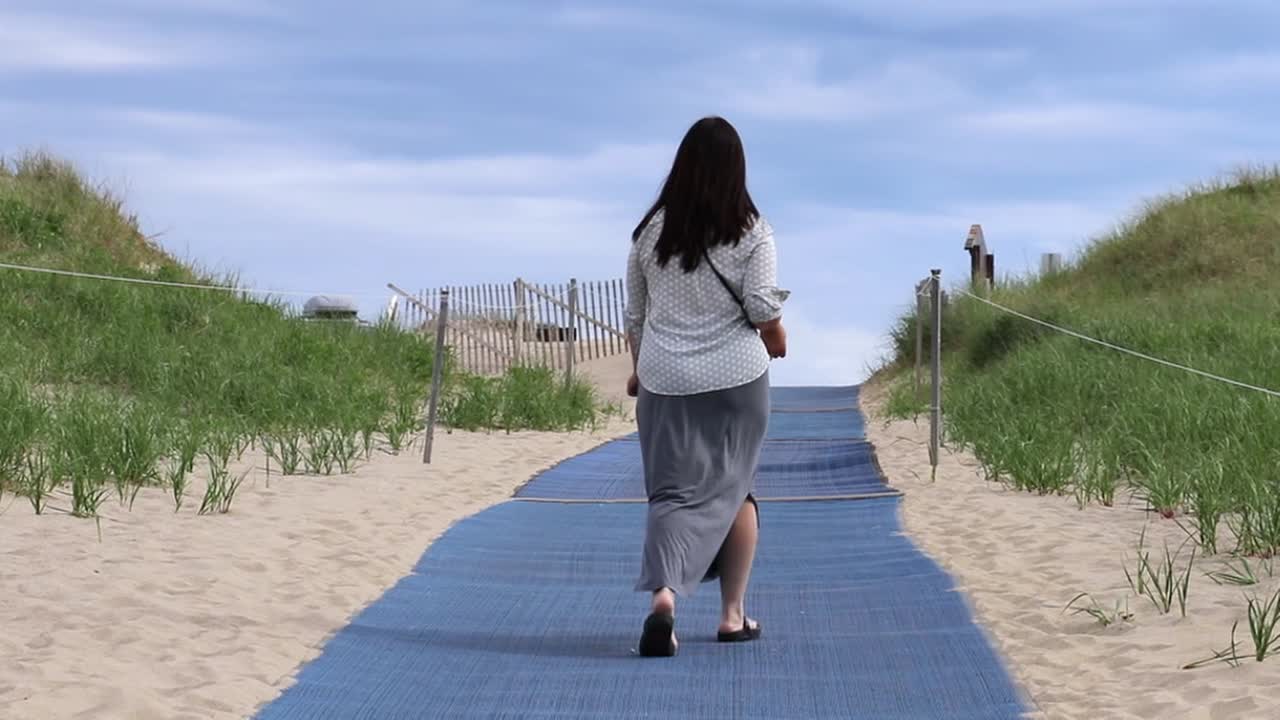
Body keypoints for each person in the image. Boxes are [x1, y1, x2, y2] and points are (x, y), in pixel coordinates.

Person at [623, 116, 789, 658]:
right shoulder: (753, 230)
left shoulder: (650, 233)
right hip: (736, 381)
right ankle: (731, 616)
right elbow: (762, 305)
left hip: (665, 380)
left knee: (671, 494)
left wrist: (640, 367)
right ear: (736, 168)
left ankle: (664, 603)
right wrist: (778, 335)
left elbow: (636, 318)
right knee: (735, 488)